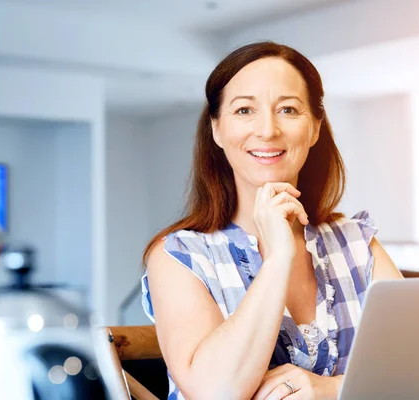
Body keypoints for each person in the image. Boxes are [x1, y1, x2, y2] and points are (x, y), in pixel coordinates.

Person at [141, 42, 403, 400]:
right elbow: (215, 392)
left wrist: (329, 391)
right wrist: (279, 258)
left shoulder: (357, 244)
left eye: (288, 109)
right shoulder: (180, 256)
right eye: (245, 109)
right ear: (217, 129)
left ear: (313, 128)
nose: (267, 130)